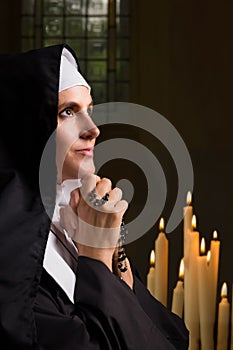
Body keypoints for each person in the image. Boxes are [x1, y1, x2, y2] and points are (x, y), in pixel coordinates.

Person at [0, 43, 189, 349]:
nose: (92, 129)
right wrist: (96, 258)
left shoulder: (76, 216)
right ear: (25, 128)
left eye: (89, 110)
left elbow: (170, 336)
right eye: (67, 112)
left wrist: (113, 249)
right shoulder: (11, 259)